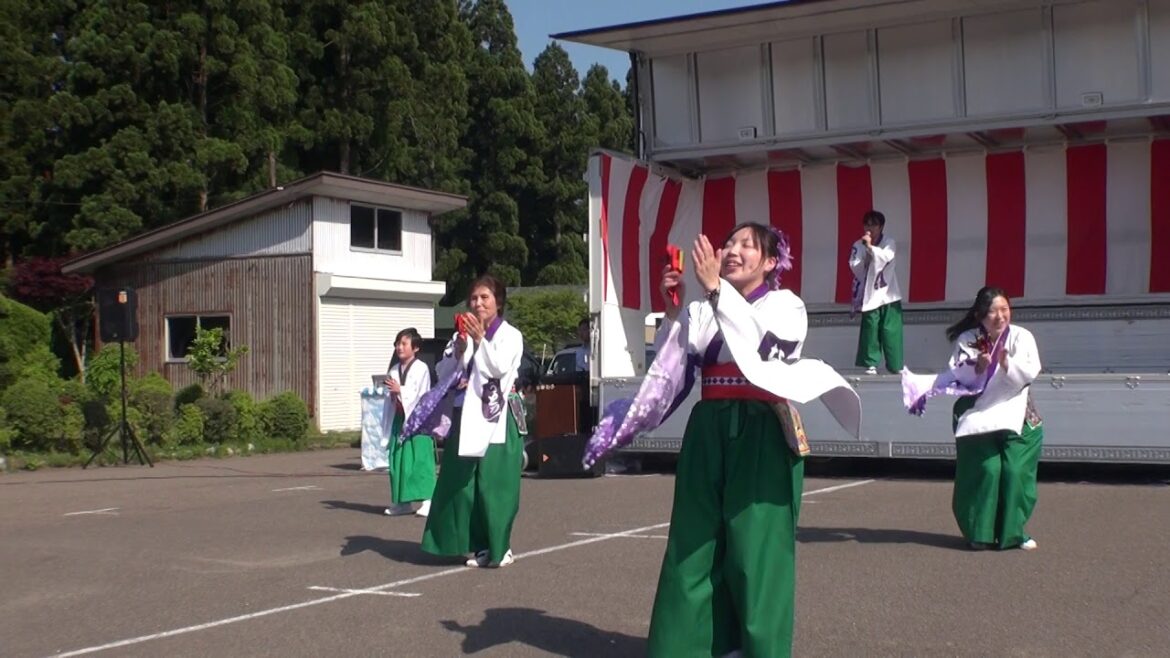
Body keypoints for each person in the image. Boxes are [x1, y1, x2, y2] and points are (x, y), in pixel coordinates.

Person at [642, 223, 860, 657]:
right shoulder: (702, 307)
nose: (733, 251)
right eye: (729, 243)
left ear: (771, 262)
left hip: (761, 425)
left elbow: (764, 348)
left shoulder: (785, 305)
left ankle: (759, 648)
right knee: (694, 538)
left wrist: (716, 292)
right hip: (708, 424)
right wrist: (671, 313)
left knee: (756, 546)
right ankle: (690, 646)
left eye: (747, 245)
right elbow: (671, 367)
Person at [901, 286, 1043, 551]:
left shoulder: (1022, 336)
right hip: (977, 411)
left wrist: (1006, 364)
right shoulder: (969, 339)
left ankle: (1014, 533)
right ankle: (979, 532)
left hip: (1019, 412)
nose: (1000, 317)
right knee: (988, 469)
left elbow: (1030, 372)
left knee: (1014, 471)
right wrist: (978, 367)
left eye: (1004, 309)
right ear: (979, 316)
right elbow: (958, 376)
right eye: (992, 312)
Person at [420, 275, 526, 568]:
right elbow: (444, 373)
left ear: (498, 302)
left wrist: (480, 341)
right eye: (474, 298)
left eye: (485, 297)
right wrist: (459, 352)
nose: (478, 303)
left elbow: (499, 368)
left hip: (497, 417)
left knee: (494, 484)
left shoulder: (510, 335)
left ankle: (500, 547)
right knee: (463, 484)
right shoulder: (462, 335)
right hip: (467, 417)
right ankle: (478, 545)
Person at [383, 327, 435, 518]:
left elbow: (421, 394)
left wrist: (400, 391)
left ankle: (428, 499)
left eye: (404, 343)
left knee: (420, 461)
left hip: (418, 420)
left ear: (415, 348)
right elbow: (391, 396)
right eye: (398, 343)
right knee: (398, 461)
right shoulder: (394, 370)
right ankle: (402, 502)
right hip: (400, 418)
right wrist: (391, 393)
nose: (399, 347)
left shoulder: (421, 368)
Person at [848, 210, 903, 375]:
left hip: (889, 292)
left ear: (881, 227)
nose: (869, 228)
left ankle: (895, 364)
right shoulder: (858, 245)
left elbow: (886, 257)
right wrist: (866, 254)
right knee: (871, 328)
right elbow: (855, 265)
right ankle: (870, 363)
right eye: (867, 224)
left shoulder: (889, 242)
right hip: (870, 293)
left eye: (874, 225)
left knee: (890, 330)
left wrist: (871, 248)